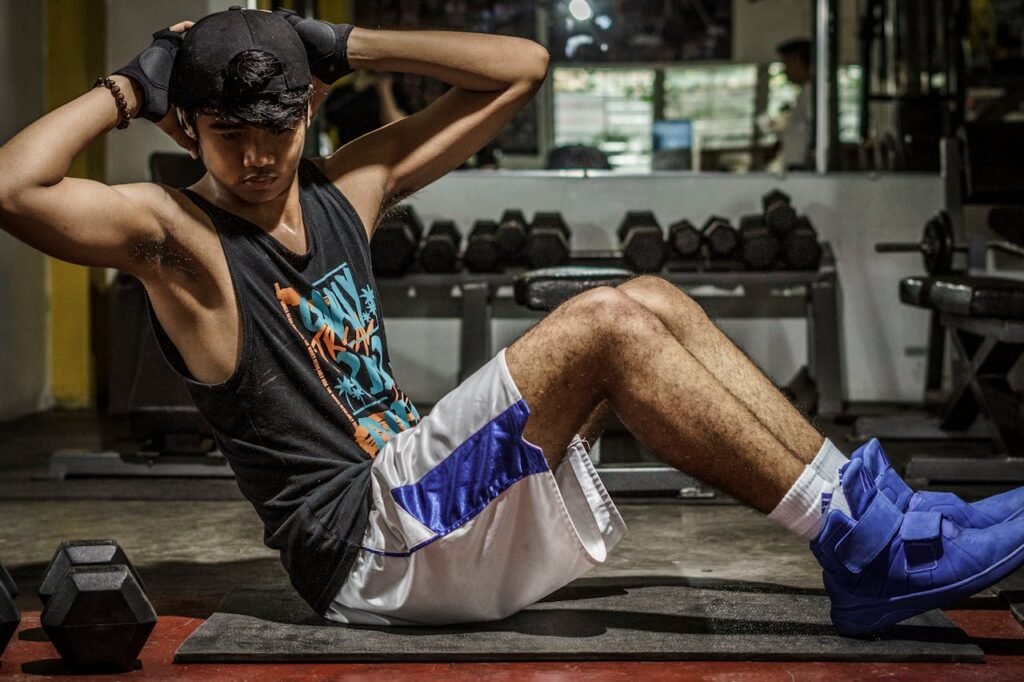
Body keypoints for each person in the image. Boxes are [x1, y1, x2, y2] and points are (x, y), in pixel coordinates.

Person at [1, 8, 1023, 634]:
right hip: (364, 544)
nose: (258, 158)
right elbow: (14, 186)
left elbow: (524, 66)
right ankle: (867, 548)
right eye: (230, 134)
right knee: (605, 325)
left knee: (650, 299)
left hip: (421, 502)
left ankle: (874, 512)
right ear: (188, 127)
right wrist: (128, 86)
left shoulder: (344, 190)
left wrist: (346, 44)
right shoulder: (179, 240)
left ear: (309, 109)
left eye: (277, 127)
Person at [775, 37, 813, 171]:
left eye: (786, 64)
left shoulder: (812, 93)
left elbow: (815, 129)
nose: (785, 71)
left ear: (798, 61)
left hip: (802, 167)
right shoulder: (805, 92)